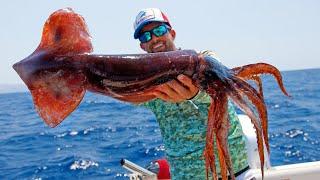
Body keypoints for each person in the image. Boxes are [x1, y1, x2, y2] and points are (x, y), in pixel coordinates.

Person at [130, 8, 250, 179]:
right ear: (142, 46)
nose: (154, 38)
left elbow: (220, 86)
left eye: (159, 30)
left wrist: (195, 94)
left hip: (235, 170)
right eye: (146, 36)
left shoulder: (206, 58)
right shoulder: (146, 82)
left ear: (172, 33)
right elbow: (120, 90)